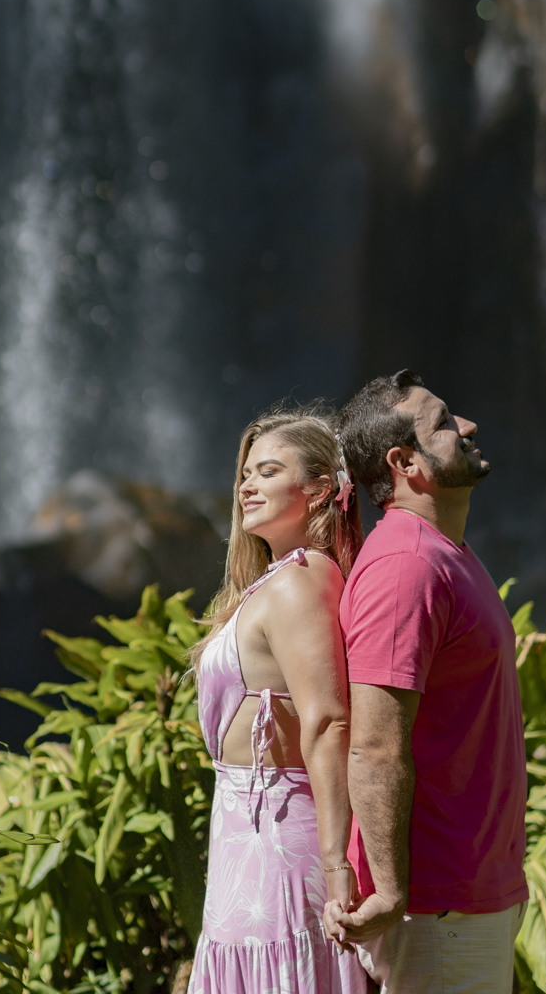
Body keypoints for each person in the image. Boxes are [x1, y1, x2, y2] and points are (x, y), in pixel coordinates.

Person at [324, 369, 527, 994]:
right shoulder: (407, 567)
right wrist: (390, 888)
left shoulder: (445, 552)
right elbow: (375, 742)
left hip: (468, 893)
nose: (467, 427)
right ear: (404, 462)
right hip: (437, 906)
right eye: (444, 423)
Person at [189, 407, 370, 994]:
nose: (247, 486)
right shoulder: (276, 580)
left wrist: (337, 863)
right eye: (245, 473)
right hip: (250, 827)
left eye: (268, 472)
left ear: (319, 489)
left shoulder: (299, 581)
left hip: (280, 831)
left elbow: (327, 720)